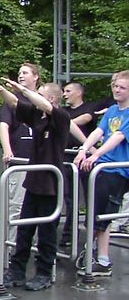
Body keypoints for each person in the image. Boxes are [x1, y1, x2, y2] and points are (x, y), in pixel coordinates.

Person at [0, 79, 71, 290]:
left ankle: (44, 273)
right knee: (24, 229)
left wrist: (24, 90)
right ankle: (17, 271)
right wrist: (1, 90)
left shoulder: (61, 118)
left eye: (41, 94)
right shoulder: (37, 116)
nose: (35, 97)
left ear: (52, 99)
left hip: (51, 185)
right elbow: (14, 104)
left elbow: (45, 105)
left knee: (47, 232)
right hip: (33, 182)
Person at [73, 70, 129, 277]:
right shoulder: (112, 110)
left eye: (122, 87)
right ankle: (101, 258)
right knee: (98, 214)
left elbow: (118, 136)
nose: (117, 90)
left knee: (102, 215)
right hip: (103, 168)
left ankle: (94, 251)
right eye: (115, 86)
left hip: (117, 169)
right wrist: (84, 149)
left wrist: (96, 155)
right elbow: (99, 131)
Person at [0, 63, 42, 244]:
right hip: (20, 161)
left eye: (25, 72)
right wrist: (7, 149)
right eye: (19, 73)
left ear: (36, 76)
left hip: (41, 162)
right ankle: (11, 245)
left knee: (40, 207)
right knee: (16, 205)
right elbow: (3, 126)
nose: (21, 75)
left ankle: (35, 245)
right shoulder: (12, 100)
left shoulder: (42, 99)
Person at [60, 81, 97, 247]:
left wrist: (64, 122)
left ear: (78, 92)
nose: (65, 94)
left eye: (68, 91)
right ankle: (68, 234)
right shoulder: (64, 111)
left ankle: (93, 233)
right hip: (67, 158)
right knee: (70, 198)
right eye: (64, 91)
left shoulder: (89, 108)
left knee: (91, 196)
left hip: (86, 158)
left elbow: (85, 119)